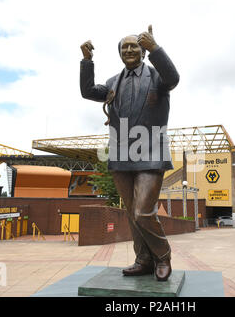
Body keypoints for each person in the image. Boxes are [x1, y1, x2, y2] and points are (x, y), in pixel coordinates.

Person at [80, 25, 179, 281]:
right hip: (122, 154)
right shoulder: (114, 82)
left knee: (143, 212)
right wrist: (87, 61)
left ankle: (163, 255)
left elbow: (174, 78)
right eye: (124, 47)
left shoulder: (157, 77)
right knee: (132, 214)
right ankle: (144, 259)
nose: (129, 50)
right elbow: (88, 91)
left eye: (134, 45)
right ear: (120, 54)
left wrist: (156, 48)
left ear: (143, 50)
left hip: (150, 151)